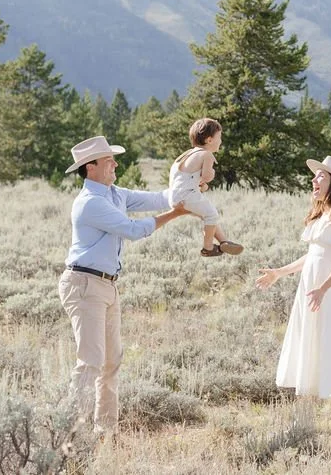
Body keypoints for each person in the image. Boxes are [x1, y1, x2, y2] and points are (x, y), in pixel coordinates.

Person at [59, 135, 190, 435]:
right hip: (85, 285)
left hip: (105, 286)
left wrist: (187, 191)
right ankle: (70, 434)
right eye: (109, 161)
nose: (116, 163)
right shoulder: (90, 203)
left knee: (110, 363)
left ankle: (105, 431)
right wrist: (177, 213)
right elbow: (132, 230)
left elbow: (157, 198)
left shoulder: (114, 193)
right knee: (91, 362)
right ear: (90, 167)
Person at [255, 156, 331, 438]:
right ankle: (303, 420)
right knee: (307, 346)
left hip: (329, 295)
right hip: (310, 293)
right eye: (316, 176)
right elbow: (312, 257)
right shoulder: (320, 217)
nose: (314, 180)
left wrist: (322, 289)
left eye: (320, 177)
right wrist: (279, 272)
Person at [167, 117, 243, 257]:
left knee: (207, 217)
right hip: (187, 196)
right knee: (211, 214)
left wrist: (201, 186)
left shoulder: (186, 154)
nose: (221, 141)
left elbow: (189, 180)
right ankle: (208, 247)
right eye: (219, 137)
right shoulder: (206, 154)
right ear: (209, 140)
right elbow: (207, 177)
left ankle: (224, 241)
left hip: (175, 196)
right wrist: (212, 174)